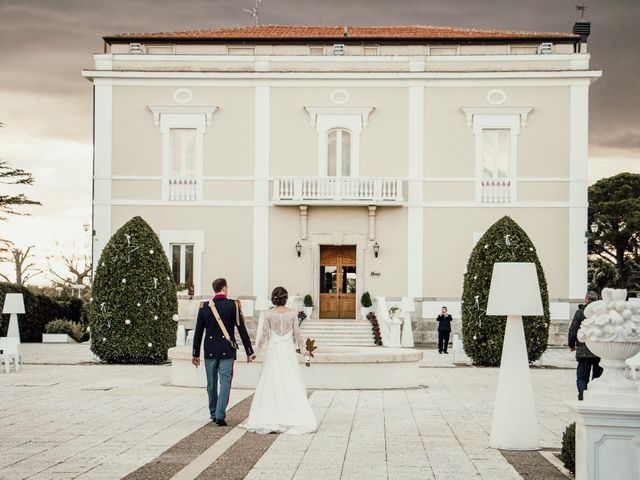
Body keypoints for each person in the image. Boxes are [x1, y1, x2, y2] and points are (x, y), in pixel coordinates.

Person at [240, 286, 317, 434]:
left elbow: (263, 336)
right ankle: (291, 413)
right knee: (290, 379)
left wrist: (255, 352)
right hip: (287, 350)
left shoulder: (269, 314)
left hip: (274, 350)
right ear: (286, 299)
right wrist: (304, 350)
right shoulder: (293, 313)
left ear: (274, 299)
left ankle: (271, 413)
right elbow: (298, 335)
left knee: (272, 380)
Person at [192, 278, 255, 426]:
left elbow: (198, 332)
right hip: (227, 349)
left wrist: (195, 353)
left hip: (210, 350)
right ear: (225, 288)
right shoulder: (233, 305)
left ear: (215, 289)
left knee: (211, 383)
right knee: (225, 381)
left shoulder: (204, 307)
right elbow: (242, 330)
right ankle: (220, 415)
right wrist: (249, 351)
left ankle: (213, 413)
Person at [568, 290, 603, 401]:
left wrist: (571, 345)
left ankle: (583, 397)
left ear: (586, 299)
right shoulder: (601, 313)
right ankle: (594, 397)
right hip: (599, 350)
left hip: (583, 350)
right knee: (597, 377)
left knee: (582, 377)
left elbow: (573, 330)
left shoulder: (580, 312)